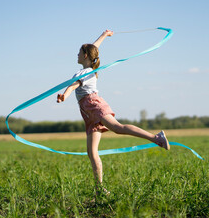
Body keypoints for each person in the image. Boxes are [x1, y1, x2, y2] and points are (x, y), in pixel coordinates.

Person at [57, 29, 170, 194]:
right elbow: (93, 48)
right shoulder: (91, 69)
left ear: (85, 56)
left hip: (93, 105)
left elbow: (74, 84)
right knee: (92, 152)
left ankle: (156, 138)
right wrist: (104, 35)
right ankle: (100, 189)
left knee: (118, 128)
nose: (77, 55)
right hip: (88, 112)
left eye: (79, 53)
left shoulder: (83, 73)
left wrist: (65, 96)